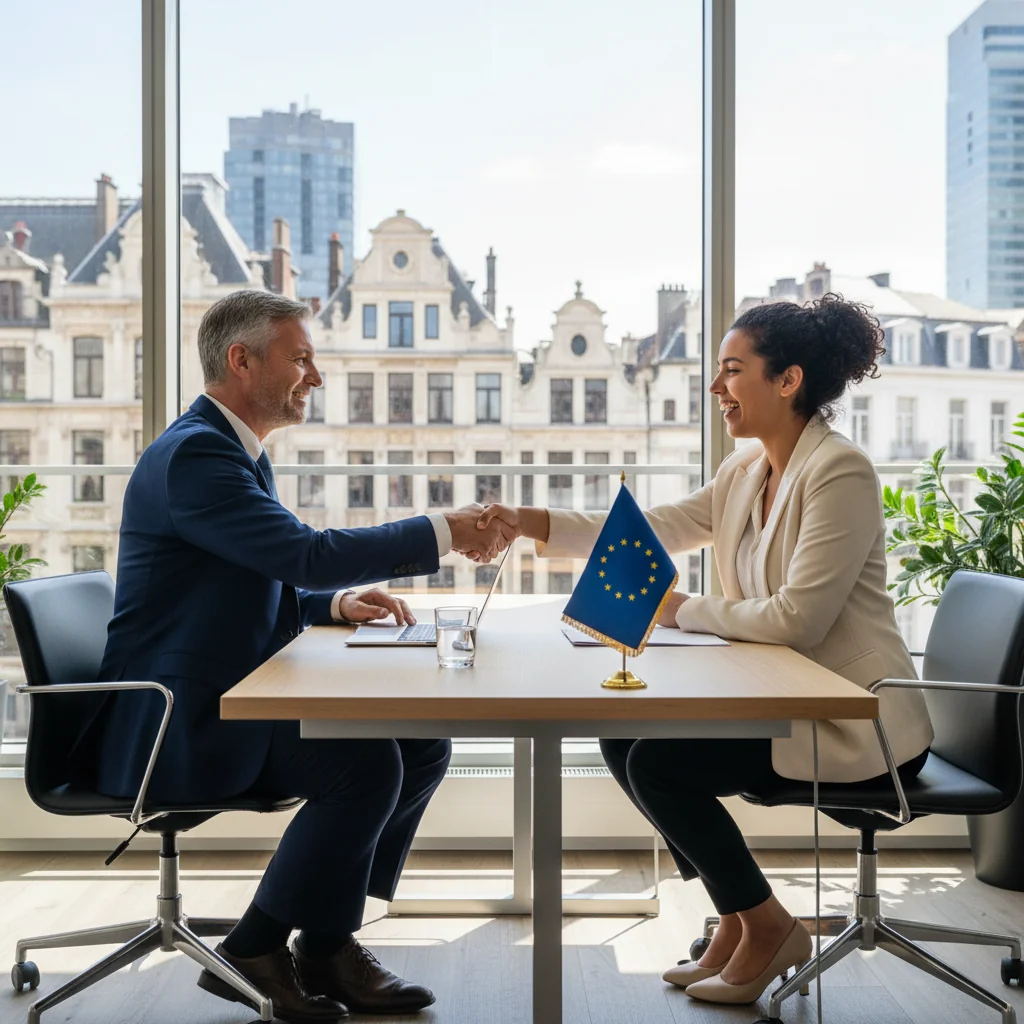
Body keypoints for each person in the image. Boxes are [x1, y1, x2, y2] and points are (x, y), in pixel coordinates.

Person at [475, 294, 934, 1006]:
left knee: (662, 764)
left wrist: (680, 609)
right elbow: (646, 529)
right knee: (622, 738)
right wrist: (526, 521)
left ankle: (766, 924)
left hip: (854, 720)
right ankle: (739, 918)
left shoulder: (839, 473)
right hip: (787, 697)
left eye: (731, 370)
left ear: (787, 381)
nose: (716, 388)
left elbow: (799, 620)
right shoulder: (745, 472)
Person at [87, 290, 513, 1023]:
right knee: (364, 760)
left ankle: (325, 944)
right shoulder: (197, 456)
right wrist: (443, 529)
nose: (314, 377)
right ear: (241, 360)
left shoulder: (230, 450)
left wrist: (330, 606)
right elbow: (303, 555)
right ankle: (256, 947)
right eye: (302, 358)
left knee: (422, 742)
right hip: (176, 724)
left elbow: (255, 576)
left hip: (217, 693)